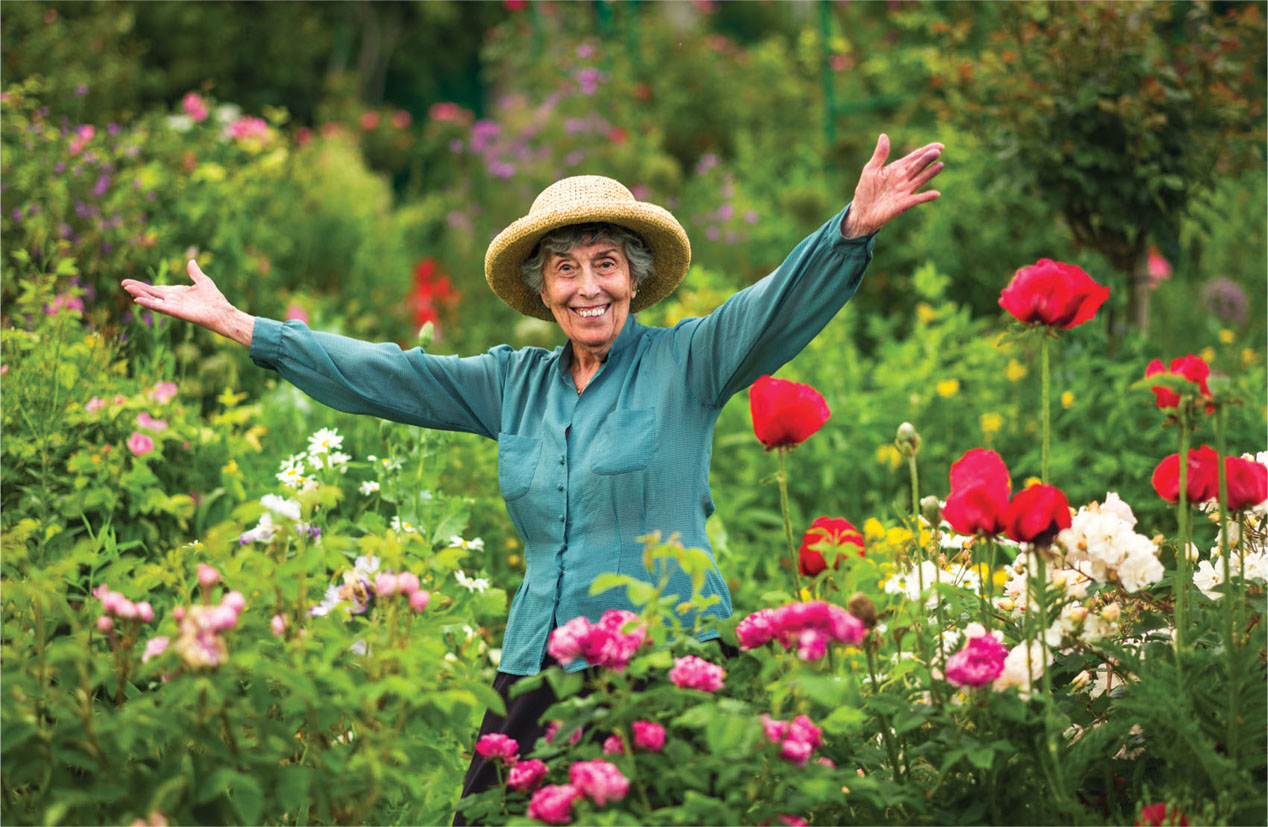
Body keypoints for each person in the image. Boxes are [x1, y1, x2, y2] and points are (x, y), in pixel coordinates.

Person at [121, 132, 942, 822]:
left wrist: (849, 230)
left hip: (663, 660)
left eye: (607, 264)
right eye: (567, 269)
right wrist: (243, 325)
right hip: (537, 665)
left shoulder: (689, 361)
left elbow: (771, 305)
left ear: (635, 276)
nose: (589, 286)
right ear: (543, 288)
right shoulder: (512, 383)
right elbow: (388, 373)